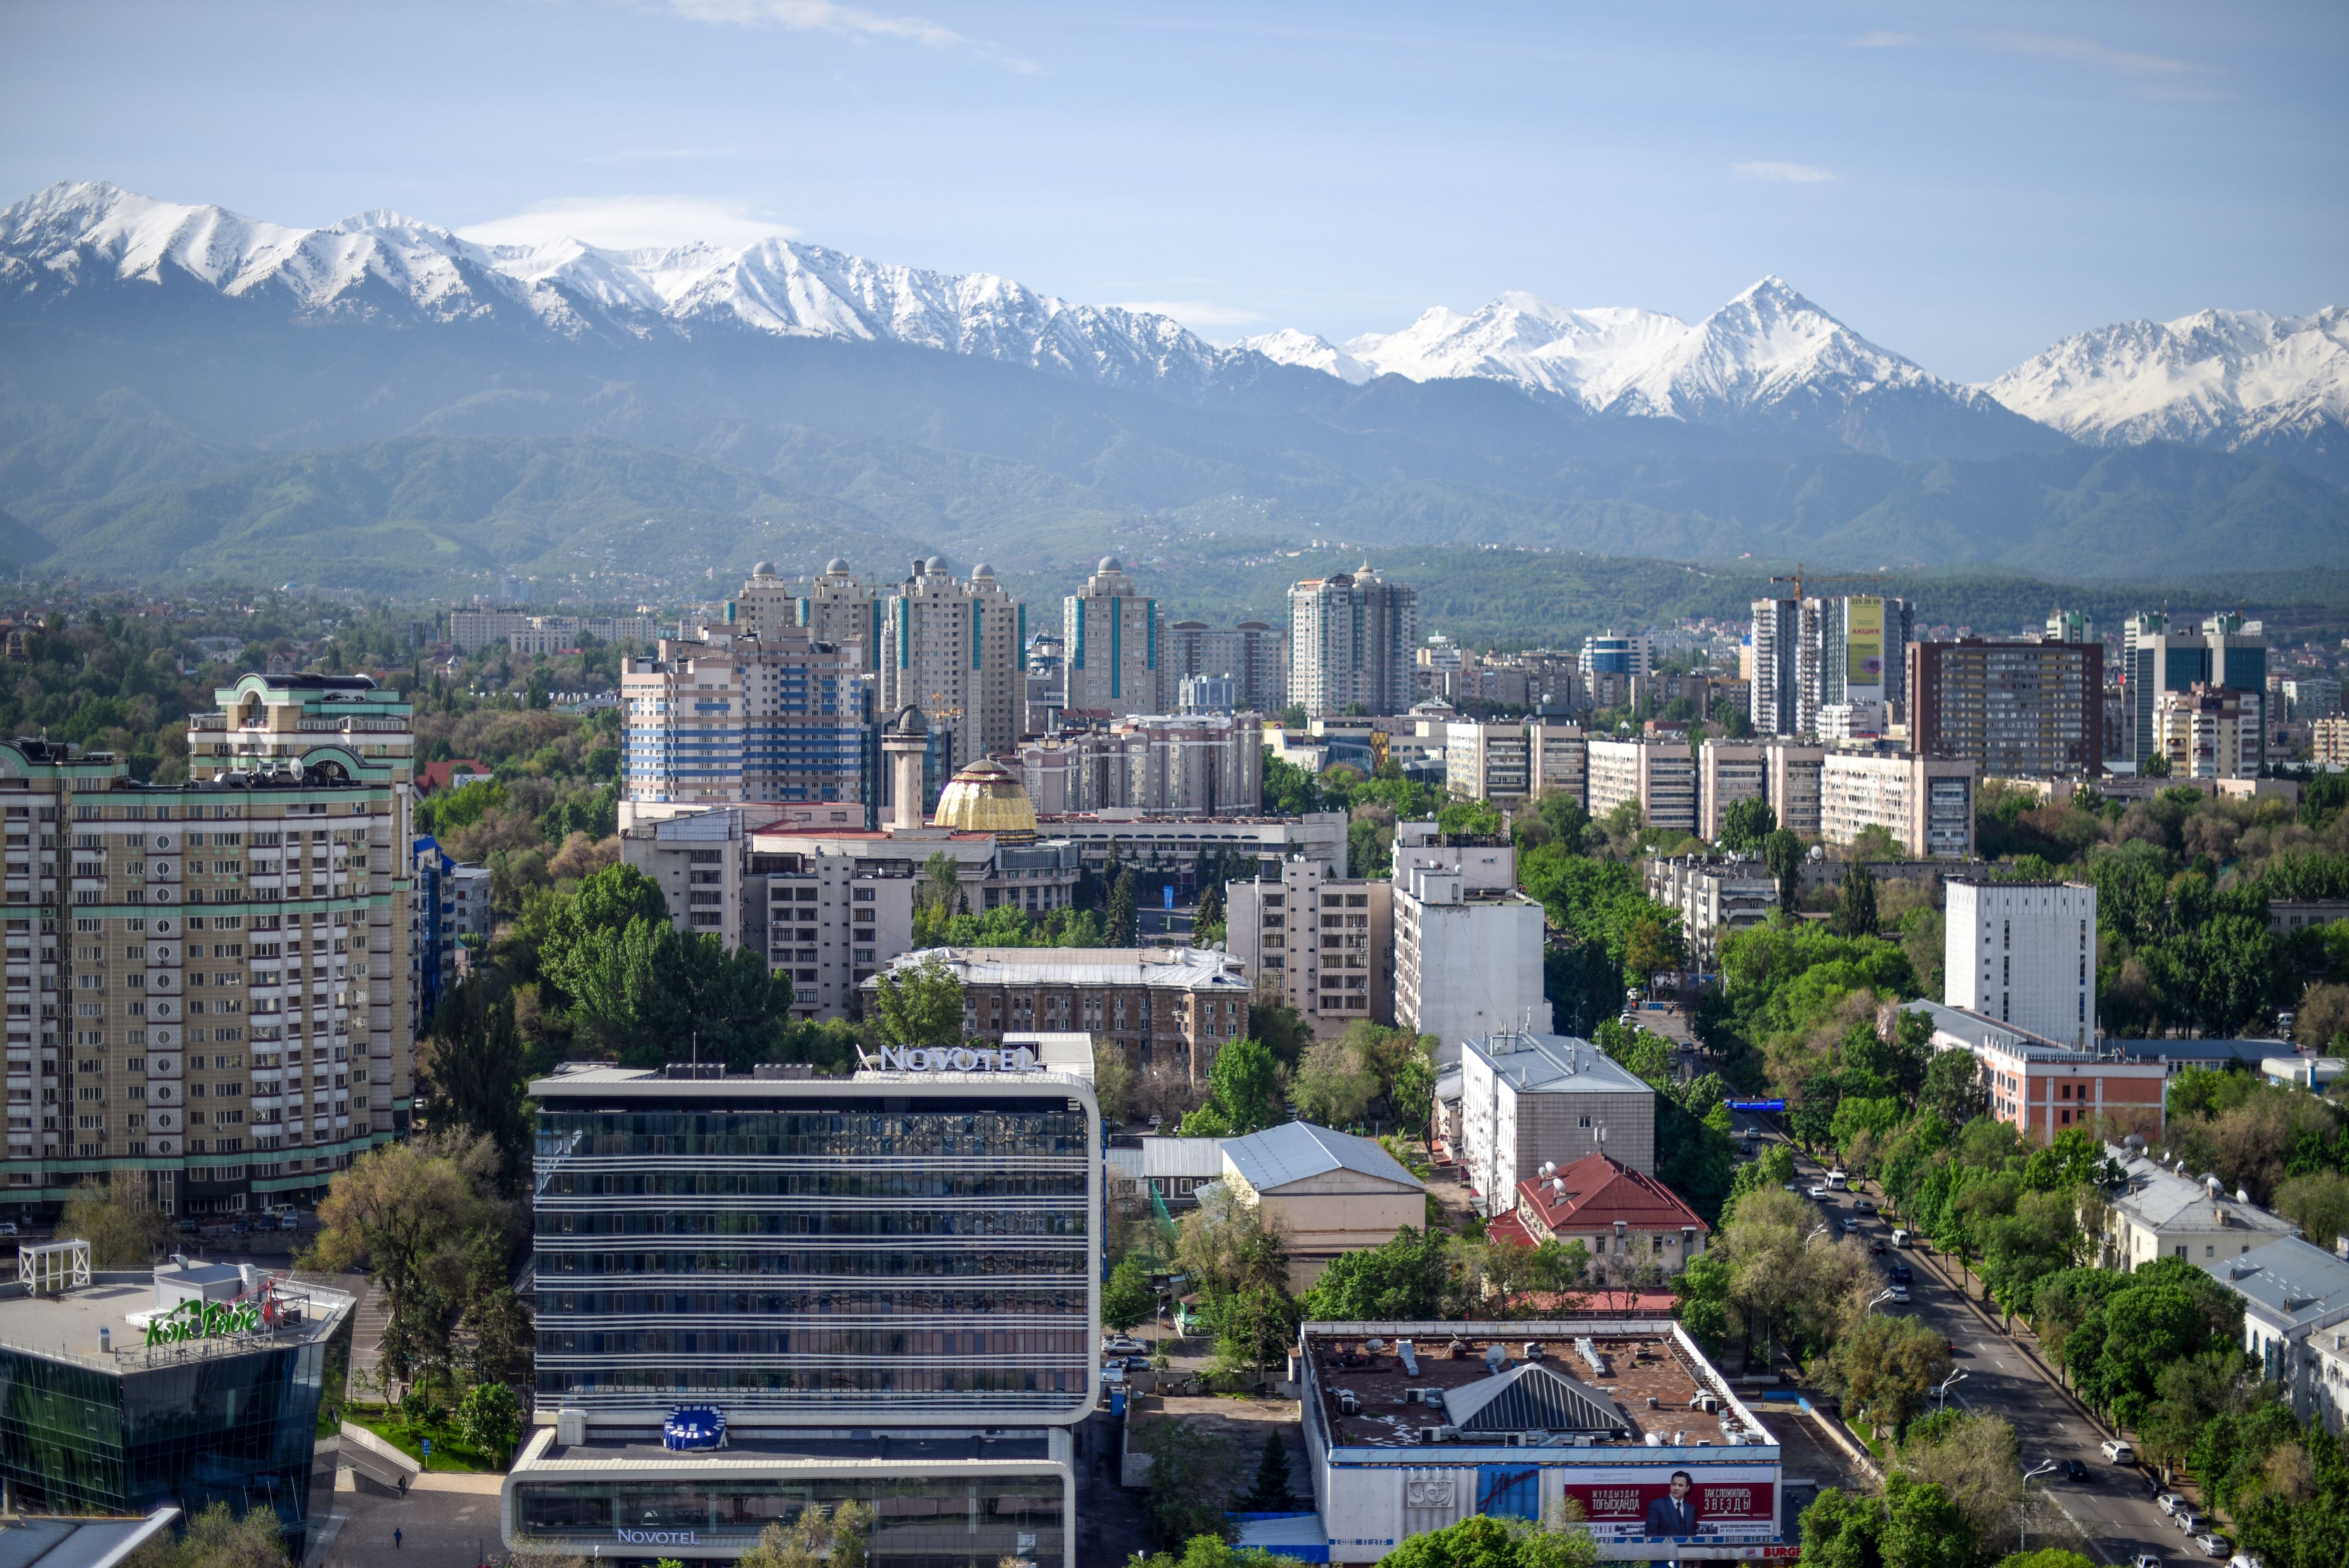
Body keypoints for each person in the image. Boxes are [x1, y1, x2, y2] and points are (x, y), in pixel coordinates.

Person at [1645, 1472, 1698, 1536]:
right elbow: (1650, 1536)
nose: (1676, 1488)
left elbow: (1692, 1536)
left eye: (1680, 1485)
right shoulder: (1656, 1506)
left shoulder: (1691, 1509)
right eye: (1674, 1484)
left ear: (1687, 1488)